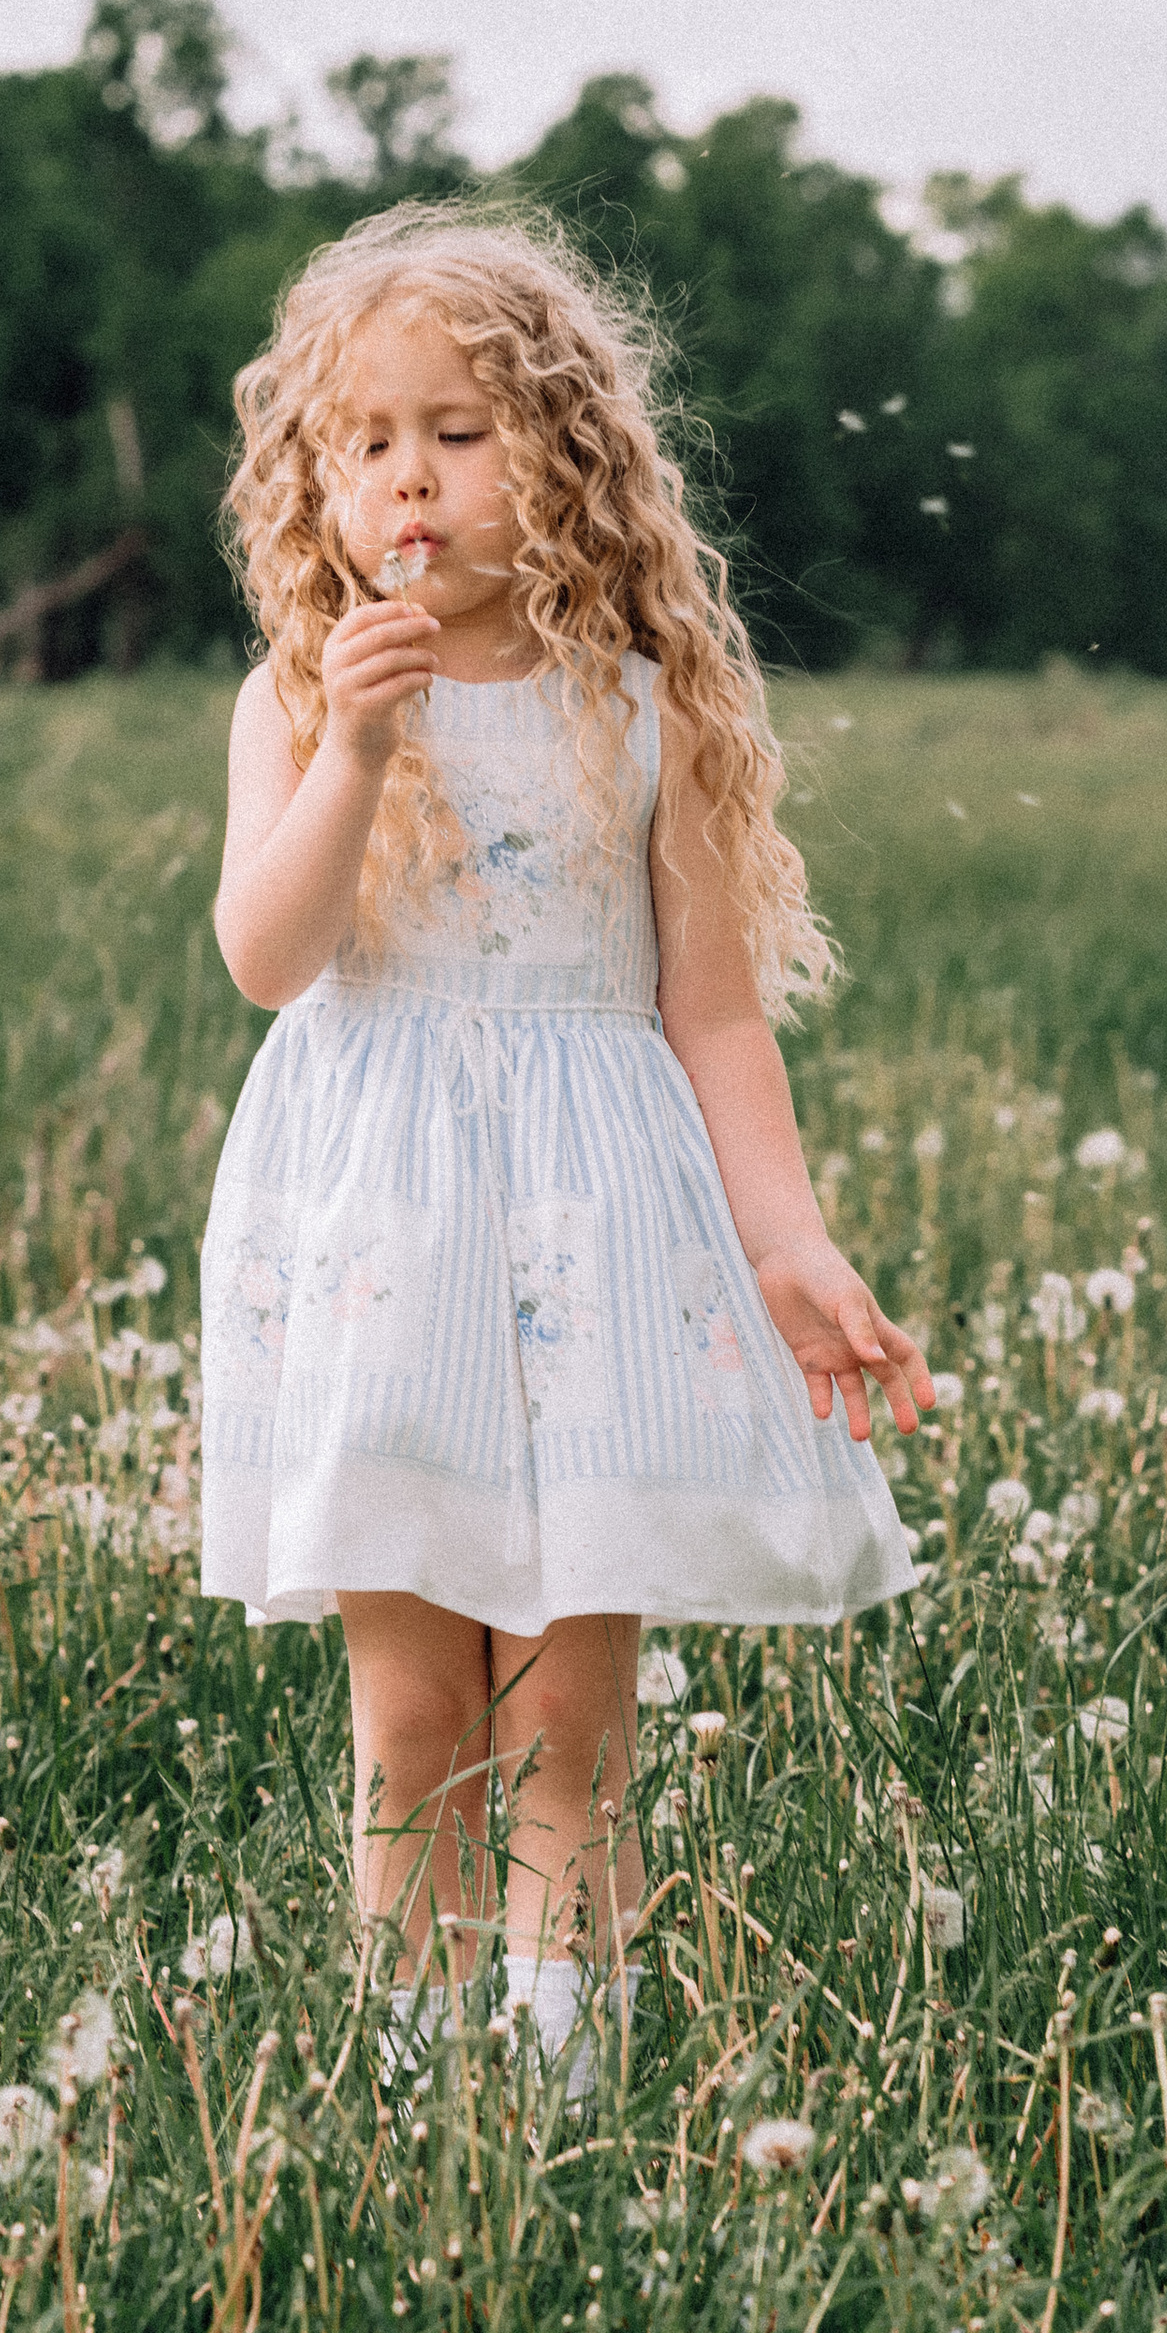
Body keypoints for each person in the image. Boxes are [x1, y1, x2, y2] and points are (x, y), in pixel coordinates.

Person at [201, 201, 934, 2093]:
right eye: (365, 442)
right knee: (414, 1694)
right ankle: (409, 2084)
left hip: (597, 1230)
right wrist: (358, 753)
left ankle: (562, 2096)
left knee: (573, 1699)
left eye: (459, 430)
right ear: (319, 480)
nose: (410, 481)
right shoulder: (297, 699)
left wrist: (790, 1244)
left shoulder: (640, 702)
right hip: (387, 1233)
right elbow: (269, 962)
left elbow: (712, 1009)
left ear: (566, 452)